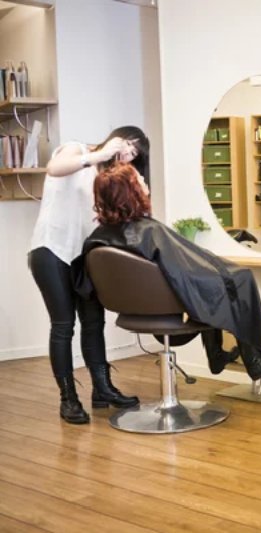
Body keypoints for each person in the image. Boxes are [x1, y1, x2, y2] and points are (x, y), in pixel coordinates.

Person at [72, 162, 261, 381]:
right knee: (239, 278)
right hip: (167, 304)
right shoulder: (148, 229)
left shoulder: (99, 238)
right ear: (131, 191)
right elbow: (185, 269)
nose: (145, 182)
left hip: (136, 306)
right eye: (140, 180)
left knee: (216, 283)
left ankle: (218, 354)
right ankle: (256, 359)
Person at [28, 126, 147, 425]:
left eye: (134, 155)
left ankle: (102, 390)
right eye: (127, 147)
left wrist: (140, 187)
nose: (127, 156)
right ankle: (68, 399)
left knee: (94, 323)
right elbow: (54, 169)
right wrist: (101, 154)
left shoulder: (109, 180)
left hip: (85, 256)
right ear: (115, 138)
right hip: (51, 250)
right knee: (63, 325)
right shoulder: (76, 150)